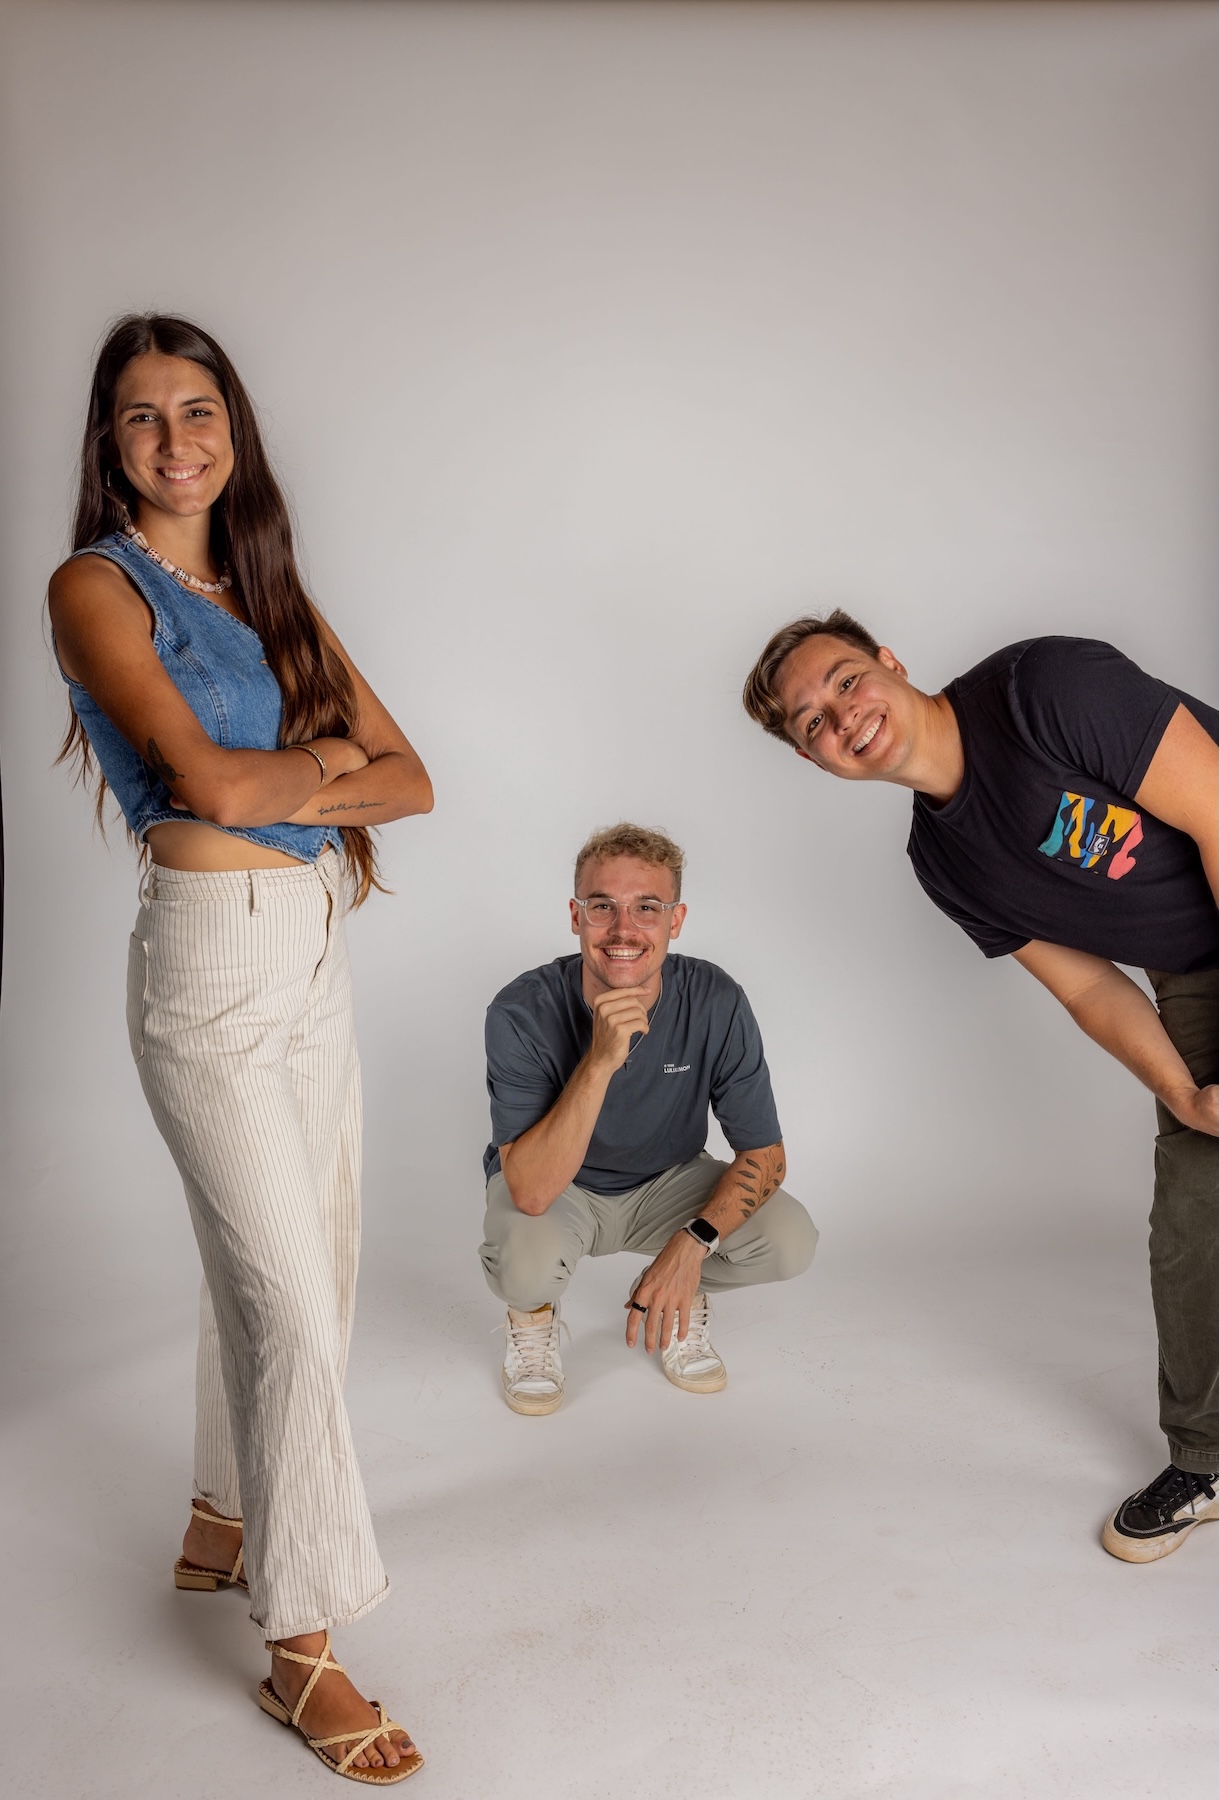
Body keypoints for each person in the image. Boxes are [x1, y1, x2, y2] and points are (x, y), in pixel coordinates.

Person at [48, 314, 433, 1782]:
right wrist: (326, 767)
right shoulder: (97, 586)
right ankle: (304, 1645)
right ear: (108, 445)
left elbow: (416, 779)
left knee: (301, 1268)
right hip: (206, 965)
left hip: (314, 946)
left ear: (235, 428)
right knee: (283, 1300)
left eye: (196, 410)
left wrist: (325, 777)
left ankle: (221, 1514)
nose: (174, 440)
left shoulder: (268, 590)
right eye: (140, 418)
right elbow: (200, 778)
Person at [741, 612, 1218, 1563]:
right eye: (810, 725)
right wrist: (1184, 1093)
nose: (839, 719)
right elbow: (1086, 982)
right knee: (1194, 1207)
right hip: (1195, 964)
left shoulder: (1043, 688)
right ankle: (1205, 1460)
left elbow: (1214, 811)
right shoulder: (942, 862)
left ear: (889, 662)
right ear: (813, 763)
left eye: (842, 682)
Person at [479, 823, 818, 1414]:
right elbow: (530, 1191)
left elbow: (767, 1156)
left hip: (668, 1183)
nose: (624, 930)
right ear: (575, 915)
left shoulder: (715, 998)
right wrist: (601, 1059)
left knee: (790, 1242)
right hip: (563, 1190)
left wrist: (692, 1245)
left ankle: (677, 1295)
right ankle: (532, 1318)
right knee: (526, 1269)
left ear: (676, 921)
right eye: (602, 906)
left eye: (647, 908)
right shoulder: (519, 1010)